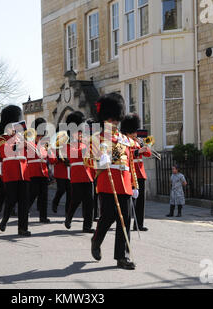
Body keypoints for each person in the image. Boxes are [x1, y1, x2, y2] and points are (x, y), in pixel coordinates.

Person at [91, 93, 136, 270]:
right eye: (111, 119)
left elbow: (130, 161)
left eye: (116, 119)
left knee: (125, 220)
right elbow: (89, 161)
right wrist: (100, 161)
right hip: (107, 183)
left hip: (124, 183)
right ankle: (96, 240)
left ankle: (122, 257)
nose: (114, 123)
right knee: (108, 217)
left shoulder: (125, 139)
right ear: (104, 120)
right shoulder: (97, 138)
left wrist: (134, 184)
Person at [0, 105, 31, 237]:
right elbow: (6, 152)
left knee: (24, 202)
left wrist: (29, 144)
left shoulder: (23, 139)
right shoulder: (0, 139)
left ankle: (22, 228)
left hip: (24, 172)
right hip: (10, 172)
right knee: (11, 200)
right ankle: (4, 219)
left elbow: (37, 153)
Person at [63, 112, 94, 233]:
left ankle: (87, 226)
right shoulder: (69, 145)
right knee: (76, 200)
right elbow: (74, 156)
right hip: (77, 175)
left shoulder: (86, 143)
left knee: (89, 202)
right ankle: (68, 218)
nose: (81, 135)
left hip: (88, 175)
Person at [127, 117, 152, 232]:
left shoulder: (138, 141)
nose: (135, 133)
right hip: (131, 173)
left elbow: (147, 154)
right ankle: (126, 221)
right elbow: (125, 153)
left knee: (141, 200)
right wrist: (137, 151)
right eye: (133, 131)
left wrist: (145, 145)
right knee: (130, 200)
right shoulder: (125, 141)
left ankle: (139, 224)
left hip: (140, 173)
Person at [27, 118, 51, 224]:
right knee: (32, 194)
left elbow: (49, 158)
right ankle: (24, 211)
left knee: (44, 196)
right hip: (33, 172)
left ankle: (43, 216)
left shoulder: (44, 144)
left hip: (43, 172)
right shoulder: (29, 143)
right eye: (38, 135)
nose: (40, 137)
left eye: (41, 135)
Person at [50, 129, 71, 215]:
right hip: (60, 172)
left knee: (70, 192)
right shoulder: (54, 148)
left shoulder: (68, 147)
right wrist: (58, 158)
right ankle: (55, 202)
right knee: (61, 189)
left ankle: (67, 212)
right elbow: (52, 160)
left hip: (69, 172)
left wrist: (68, 160)